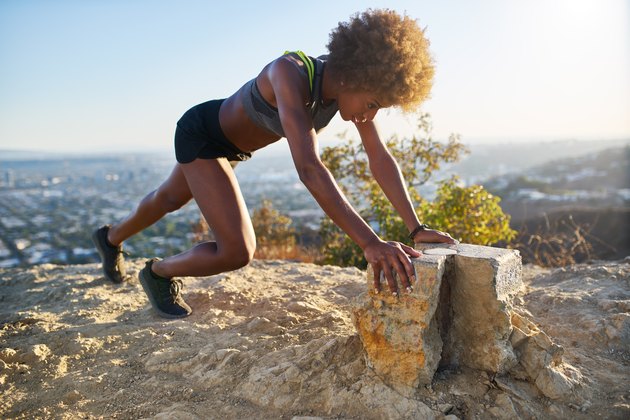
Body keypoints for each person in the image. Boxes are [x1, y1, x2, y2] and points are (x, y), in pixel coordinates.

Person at [92, 9, 456, 319]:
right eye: (373, 102)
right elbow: (309, 168)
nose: (370, 113)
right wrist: (370, 242)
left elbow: (379, 158)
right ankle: (157, 272)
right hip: (201, 133)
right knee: (236, 250)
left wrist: (415, 227)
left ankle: (109, 239)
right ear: (354, 76)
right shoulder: (290, 73)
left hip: (229, 146)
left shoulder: (345, 88)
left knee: (168, 198)